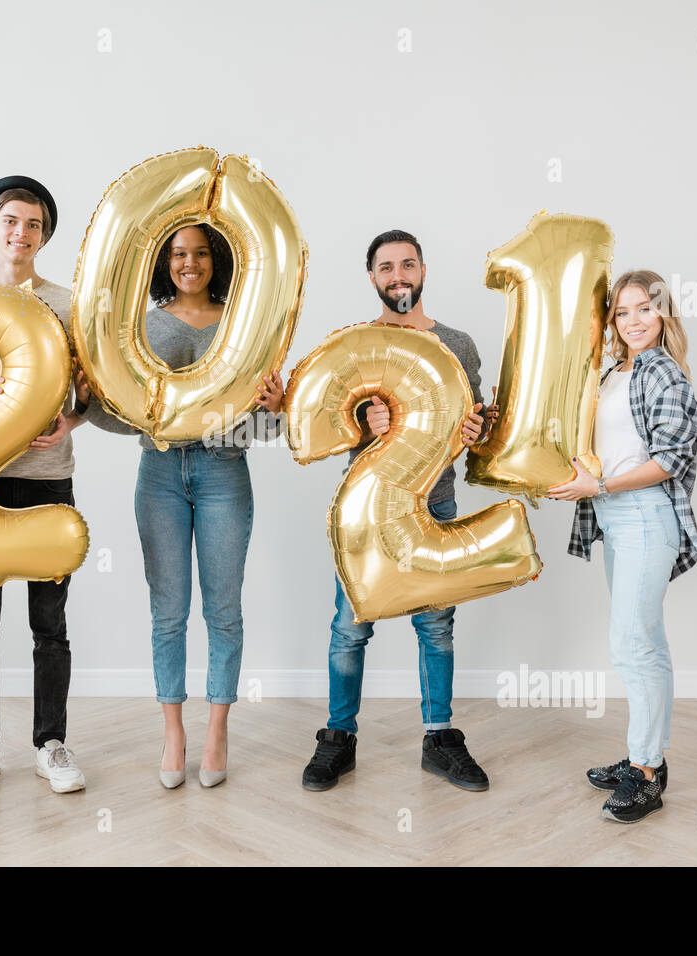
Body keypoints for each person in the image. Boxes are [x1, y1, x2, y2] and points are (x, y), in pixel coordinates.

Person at [0, 176, 123, 797]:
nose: (21, 233)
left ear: (43, 235)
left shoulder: (66, 304)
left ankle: (50, 743)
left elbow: (96, 390)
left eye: (34, 224)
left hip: (47, 479)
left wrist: (69, 419)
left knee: (51, 623)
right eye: (10, 221)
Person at [301, 229, 497, 793]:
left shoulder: (457, 343)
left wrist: (475, 430)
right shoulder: (355, 345)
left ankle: (439, 739)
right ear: (372, 278)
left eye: (407, 265)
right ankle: (339, 739)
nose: (398, 276)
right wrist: (363, 424)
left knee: (436, 625)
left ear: (423, 271)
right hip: (363, 510)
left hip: (434, 501)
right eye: (386, 267)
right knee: (349, 625)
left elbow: (479, 425)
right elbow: (324, 425)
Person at [89, 223, 284, 789]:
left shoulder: (243, 323)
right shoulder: (145, 326)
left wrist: (279, 403)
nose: (189, 263)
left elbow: (269, 427)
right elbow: (124, 416)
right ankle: (173, 731)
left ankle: (216, 729)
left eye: (200, 252)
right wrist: (88, 394)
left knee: (223, 610)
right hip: (159, 474)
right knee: (168, 611)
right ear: (162, 262)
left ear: (216, 259)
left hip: (225, 472)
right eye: (178, 254)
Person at [547, 269, 697, 823]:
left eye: (644, 309)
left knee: (631, 646)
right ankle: (648, 760)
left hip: (643, 516)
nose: (633, 321)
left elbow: (669, 460)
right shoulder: (616, 371)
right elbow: (598, 444)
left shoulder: (664, 373)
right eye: (622, 312)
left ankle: (644, 775)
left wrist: (602, 486)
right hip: (615, 518)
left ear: (663, 314)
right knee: (647, 643)